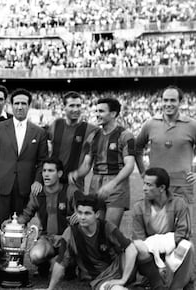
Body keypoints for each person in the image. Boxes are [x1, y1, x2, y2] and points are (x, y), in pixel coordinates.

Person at [44, 195, 137, 290]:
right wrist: (50, 288)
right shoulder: (70, 233)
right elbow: (61, 262)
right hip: (101, 278)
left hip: (120, 267)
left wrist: (123, 279)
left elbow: (130, 248)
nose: (82, 217)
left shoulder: (107, 227)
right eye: (79, 213)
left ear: (97, 214)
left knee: (139, 246)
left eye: (87, 213)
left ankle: (150, 283)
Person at [69, 98, 135, 227]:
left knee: (110, 229)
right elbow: (87, 165)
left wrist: (112, 184)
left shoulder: (125, 136)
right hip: (95, 183)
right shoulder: (93, 136)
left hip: (117, 185)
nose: (97, 114)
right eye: (96, 111)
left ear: (113, 114)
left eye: (101, 111)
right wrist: (76, 174)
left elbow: (130, 165)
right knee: (95, 227)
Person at [0, 88, 48, 223]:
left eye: (24, 104)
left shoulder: (39, 132)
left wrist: (38, 180)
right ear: (11, 105)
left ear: (29, 106)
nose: (20, 107)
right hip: (1, 186)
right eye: (17, 103)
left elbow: (43, 160)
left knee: (20, 225)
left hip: (25, 187)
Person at [132, 167, 194, 290]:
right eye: (144, 184)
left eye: (149, 185)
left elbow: (184, 232)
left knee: (187, 246)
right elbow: (139, 238)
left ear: (162, 188)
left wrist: (164, 244)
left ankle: (177, 286)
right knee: (139, 247)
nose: (144, 188)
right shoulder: (139, 207)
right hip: (150, 250)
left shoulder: (179, 203)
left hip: (173, 247)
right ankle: (153, 282)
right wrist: (155, 248)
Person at [17, 158, 81, 277]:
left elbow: (86, 210)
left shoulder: (70, 191)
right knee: (35, 256)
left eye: (51, 171)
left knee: (71, 257)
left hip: (67, 239)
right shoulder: (38, 193)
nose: (46, 174)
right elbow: (27, 214)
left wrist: (80, 214)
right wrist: (13, 224)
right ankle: (44, 264)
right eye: (44, 171)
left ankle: (71, 265)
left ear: (60, 173)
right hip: (47, 239)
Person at [136, 85, 196, 204]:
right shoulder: (150, 124)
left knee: (181, 222)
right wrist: (143, 172)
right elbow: (137, 148)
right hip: (155, 185)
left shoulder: (192, 125)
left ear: (180, 102)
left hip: (182, 185)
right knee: (155, 222)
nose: (168, 104)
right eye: (165, 100)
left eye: (173, 100)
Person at [48, 91, 98, 189]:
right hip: (53, 184)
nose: (76, 109)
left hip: (74, 184)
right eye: (72, 106)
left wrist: (77, 174)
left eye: (78, 106)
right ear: (64, 108)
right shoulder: (56, 125)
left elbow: (88, 162)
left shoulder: (90, 129)